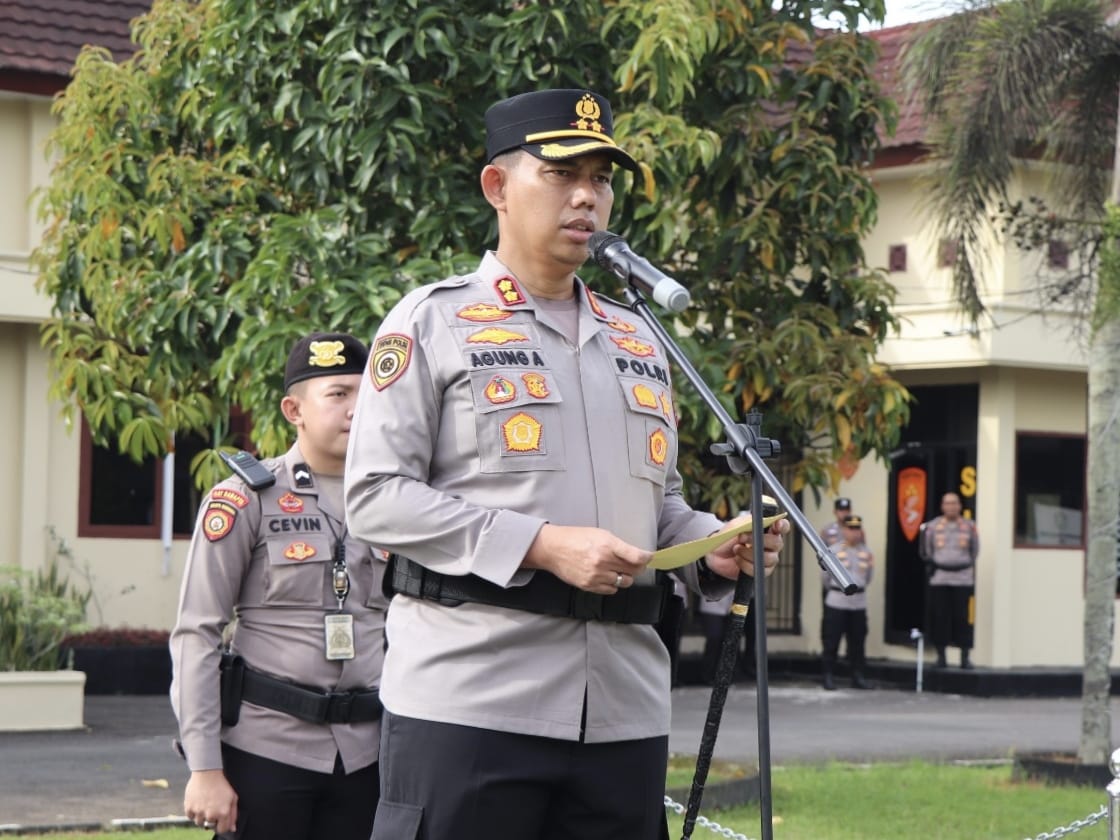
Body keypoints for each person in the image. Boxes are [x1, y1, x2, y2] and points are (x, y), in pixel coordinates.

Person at [344, 87, 790, 840]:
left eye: (602, 178)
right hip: (473, 698)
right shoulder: (433, 320)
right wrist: (543, 545)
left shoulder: (638, 340)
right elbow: (376, 497)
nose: (586, 196)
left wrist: (716, 547)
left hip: (623, 709)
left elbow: (660, 505)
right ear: (497, 187)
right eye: (560, 173)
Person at [169, 332, 388, 839]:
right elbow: (195, 634)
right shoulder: (245, 499)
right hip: (266, 751)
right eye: (338, 395)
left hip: (370, 755)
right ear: (295, 409)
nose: (357, 410)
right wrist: (205, 768)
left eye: (367, 394)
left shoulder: (394, 503)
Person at [919, 491, 979, 669]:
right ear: (942, 506)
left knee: (963, 618)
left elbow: (975, 551)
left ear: (960, 506)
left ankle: (965, 657)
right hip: (940, 578)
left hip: (962, 578)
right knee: (940, 617)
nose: (951, 507)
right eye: (947, 503)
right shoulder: (932, 526)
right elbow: (926, 551)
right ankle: (941, 657)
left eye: (954, 503)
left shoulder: (970, 527)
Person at [820, 513, 873, 690]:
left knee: (857, 642)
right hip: (837, 602)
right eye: (851, 529)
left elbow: (869, 577)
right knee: (832, 640)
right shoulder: (833, 551)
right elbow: (825, 578)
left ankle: (858, 676)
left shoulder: (867, 552)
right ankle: (828, 675)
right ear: (844, 530)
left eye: (857, 529)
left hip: (858, 603)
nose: (854, 533)